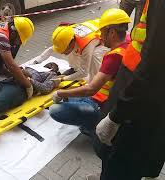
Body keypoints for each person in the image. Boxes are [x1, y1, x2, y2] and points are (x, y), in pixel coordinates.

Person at [92, 0, 165, 180]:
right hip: (145, 95)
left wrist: (116, 116)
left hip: (138, 100)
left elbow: (154, 64)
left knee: (119, 161)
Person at [48, 9, 130, 135]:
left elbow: (91, 89)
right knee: (70, 97)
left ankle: (93, 125)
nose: (100, 37)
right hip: (108, 97)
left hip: (102, 104)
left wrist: (60, 93)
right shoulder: (129, 41)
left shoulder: (114, 56)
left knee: (55, 110)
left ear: (112, 32)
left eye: (102, 33)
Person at [32, 19, 109, 83]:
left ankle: (95, 82)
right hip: (94, 28)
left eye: (65, 50)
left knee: (94, 56)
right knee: (73, 52)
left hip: (106, 39)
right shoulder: (66, 36)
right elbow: (50, 49)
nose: (63, 53)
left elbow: (84, 72)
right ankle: (75, 69)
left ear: (71, 42)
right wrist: (36, 61)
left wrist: (63, 79)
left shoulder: (86, 46)